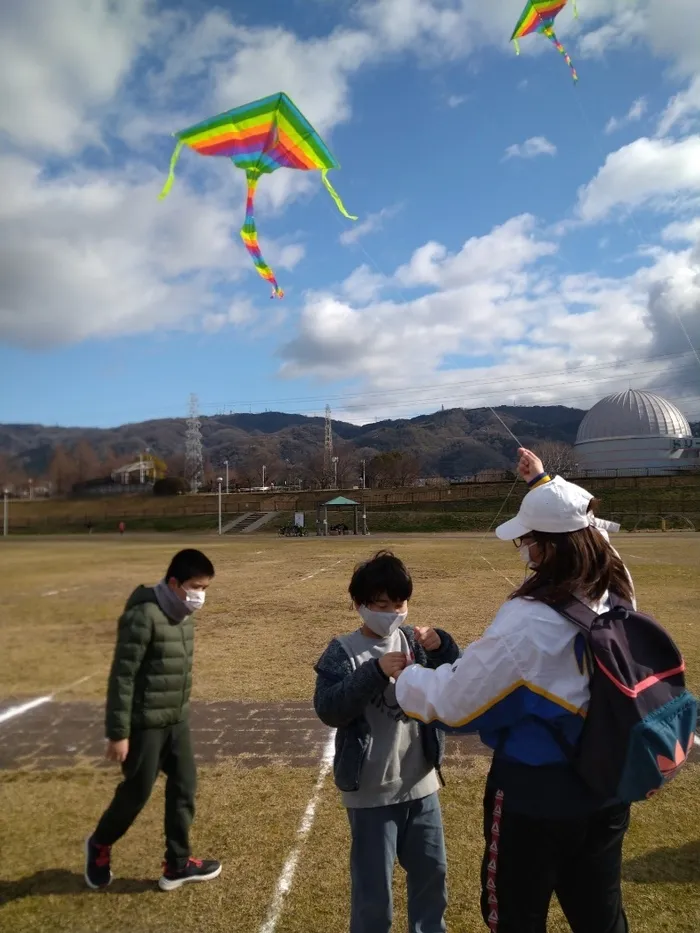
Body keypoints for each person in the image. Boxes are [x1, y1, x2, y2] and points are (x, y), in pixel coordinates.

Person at [395, 451, 636, 933]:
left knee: (516, 916)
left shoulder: (528, 622)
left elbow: (456, 705)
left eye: (526, 540)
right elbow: (589, 528)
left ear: (545, 549)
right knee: (599, 913)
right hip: (608, 782)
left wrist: (402, 677)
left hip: (535, 794)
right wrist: (545, 483)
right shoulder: (617, 582)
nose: (521, 549)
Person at [313, 550, 460, 933]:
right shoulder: (341, 652)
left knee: (432, 875)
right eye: (382, 604)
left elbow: (452, 679)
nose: (393, 612)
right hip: (371, 792)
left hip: (421, 783)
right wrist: (374, 672)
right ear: (359, 605)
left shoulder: (412, 640)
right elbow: (329, 708)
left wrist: (442, 645)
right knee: (374, 895)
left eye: (400, 603)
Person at [85, 549, 222, 892]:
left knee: (185, 787)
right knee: (136, 793)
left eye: (205, 588)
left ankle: (177, 864)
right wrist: (118, 734)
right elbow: (123, 676)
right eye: (195, 586)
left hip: (176, 720)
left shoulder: (184, 615)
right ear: (173, 583)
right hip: (144, 724)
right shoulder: (143, 615)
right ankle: (99, 845)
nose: (200, 595)